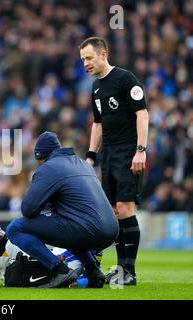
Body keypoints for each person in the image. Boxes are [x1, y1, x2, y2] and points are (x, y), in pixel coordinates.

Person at [6, 131, 119, 288]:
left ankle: (59, 270)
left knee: (15, 228)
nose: (40, 164)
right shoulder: (82, 163)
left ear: (42, 157)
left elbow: (28, 209)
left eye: (40, 160)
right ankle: (93, 270)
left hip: (87, 228)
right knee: (70, 225)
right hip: (111, 230)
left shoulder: (49, 167)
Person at [79, 36, 149, 285]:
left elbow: (142, 114)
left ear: (103, 55)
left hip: (128, 152)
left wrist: (141, 150)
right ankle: (122, 271)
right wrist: (90, 156)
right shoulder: (96, 87)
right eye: (82, 60)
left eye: (88, 58)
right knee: (113, 213)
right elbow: (97, 124)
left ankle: (129, 272)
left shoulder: (125, 79)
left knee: (125, 208)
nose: (85, 63)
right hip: (108, 154)